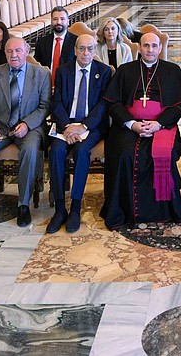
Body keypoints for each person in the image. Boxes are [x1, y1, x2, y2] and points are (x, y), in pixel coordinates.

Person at [100, 32, 181, 230]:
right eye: (145, 46)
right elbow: (113, 104)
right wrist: (131, 124)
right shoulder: (125, 71)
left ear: (160, 48)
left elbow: (178, 106)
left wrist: (159, 124)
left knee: (161, 154)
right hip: (128, 126)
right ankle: (125, 210)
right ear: (139, 48)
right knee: (125, 153)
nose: (150, 50)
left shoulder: (172, 70)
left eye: (154, 46)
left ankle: (163, 210)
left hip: (162, 127)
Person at [0, 37, 51, 228]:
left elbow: (44, 107)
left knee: (30, 151)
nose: (14, 55)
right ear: (4, 53)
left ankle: (23, 204)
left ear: (27, 51)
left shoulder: (41, 74)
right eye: (9, 51)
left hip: (30, 127)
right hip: (0, 126)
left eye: (18, 51)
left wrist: (27, 124)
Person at [47, 34, 111, 234]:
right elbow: (56, 102)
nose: (86, 53)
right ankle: (59, 208)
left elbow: (103, 105)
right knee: (56, 151)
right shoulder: (63, 71)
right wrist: (67, 126)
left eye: (90, 49)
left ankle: (75, 206)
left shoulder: (104, 71)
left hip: (90, 126)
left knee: (82, 151)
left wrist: (83, 126)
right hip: (66, 125)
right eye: (82, 48)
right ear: (75, 50)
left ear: (95, 51)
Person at [34, 6, 76, 85]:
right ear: (51, 21)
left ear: (68, 21)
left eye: (62, 19)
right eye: (55, 19)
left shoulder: (76, 41)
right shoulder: (42, 42)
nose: (58, 22)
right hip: (46, 83)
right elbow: (36, 65)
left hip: (68, 83)